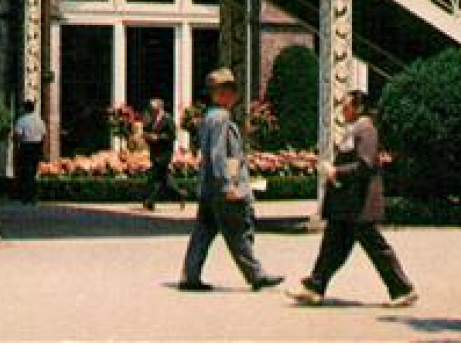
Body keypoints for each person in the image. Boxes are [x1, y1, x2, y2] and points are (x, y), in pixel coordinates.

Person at [289, 90, 416, 307]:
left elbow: (365, 165)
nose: (342, 111)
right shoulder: (356, 129)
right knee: (332, 246)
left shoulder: (365, 130)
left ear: (358, 108)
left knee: (376, 248)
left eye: (346, 107)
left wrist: (336, 172)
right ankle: (314, 287)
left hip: (360, 204)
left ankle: (402, 289)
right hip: (347, 205)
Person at [179, 68, 282, 292]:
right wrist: (228, 185)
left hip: (208, 187)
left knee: (203, 233)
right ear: (222, 93)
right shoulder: (221, 118)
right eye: (232, 91)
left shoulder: (208, 117)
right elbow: (219, 155)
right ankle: (256, 275)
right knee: (238, 232)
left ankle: (190, 275)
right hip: (221, 188)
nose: (235, 96)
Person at [143, 98, 183, 211]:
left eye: (153, 108)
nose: (151, 110)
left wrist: (158, 138)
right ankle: (180, 194)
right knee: (164, 179)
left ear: (159, 108)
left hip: (164, 154)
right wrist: (147, 137)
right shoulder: (152, 119)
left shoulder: (168, 119)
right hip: (155, 153)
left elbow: (172, 136)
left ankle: (150, 201)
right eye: (151, 108)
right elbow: (148, 131)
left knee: (155, 178)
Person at [13, 100, 47, 205]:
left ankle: (25, 197)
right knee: (33, 172)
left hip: (26, 147)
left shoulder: (22, 120)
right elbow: (44, 135)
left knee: (24, 172)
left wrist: (16, 147)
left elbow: (17, 135)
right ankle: (33, 197)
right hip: (37, 147)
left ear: (25, 108)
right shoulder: (39, 120)